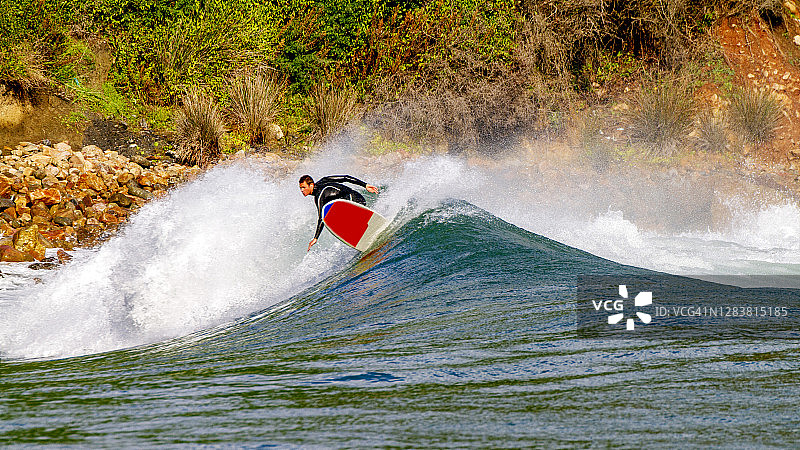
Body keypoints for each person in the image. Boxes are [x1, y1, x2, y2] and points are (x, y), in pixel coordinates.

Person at [299, 174, 379, 251]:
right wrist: (364, 185)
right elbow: (346, 178)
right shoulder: (324, 180)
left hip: (355, 201)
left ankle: (363, 230)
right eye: (300, 188)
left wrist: (315, 238)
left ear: (311, 185)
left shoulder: (319, 196)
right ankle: (363, 231)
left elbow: (321, 218)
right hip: (358, 198)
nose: (302, 190)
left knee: (336, 216)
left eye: (303, 187)